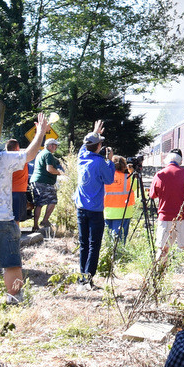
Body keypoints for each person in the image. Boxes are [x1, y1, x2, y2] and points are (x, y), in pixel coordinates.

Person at [0, 115, 51, 304]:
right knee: (11, 262)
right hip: (3, 217)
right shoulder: (3, 158)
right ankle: (14, 298)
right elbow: (30, 154)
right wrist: (39, 133)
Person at [76, 120, 116, 288]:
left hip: (81, 208)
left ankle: (82, 277)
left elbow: (85, 146)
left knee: (84, 243)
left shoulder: (81, 157)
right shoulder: (100, 162)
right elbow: (109, 179)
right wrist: (111, 160)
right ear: (99, 146)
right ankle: (88, 279)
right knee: (94, 245)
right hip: (95, 210)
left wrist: (94, 133)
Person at [149, 147, 184, 282]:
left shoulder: (160, 174)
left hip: (165, 216)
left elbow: (152, 195)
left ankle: (159, 275)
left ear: (167, 161)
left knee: (162, 248)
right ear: (180, 162)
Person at [30, 134, 64, 234]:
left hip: (36, 181)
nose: (56, 147)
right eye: (55, 145)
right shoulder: (48, 154)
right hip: (44, 182)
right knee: (53, 200)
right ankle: (44, 221)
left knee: (39, 203)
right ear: (50, 146)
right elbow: (49, 169)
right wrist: (59, 172)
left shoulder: (40, 153)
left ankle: (35, 225)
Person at [103, 156, 137, 243]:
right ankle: (118, 256)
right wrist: (132, 172)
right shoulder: (128, 177)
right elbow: (135, 187)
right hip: (124, 212)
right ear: (124, 166)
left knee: (107, 239)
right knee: (119, 242)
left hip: (107, 212)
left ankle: (108, 255)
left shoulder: (106, 177)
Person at [5, 139, 30, 227]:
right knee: (16, 217)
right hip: (18, 190)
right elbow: (30, 153)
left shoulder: (4, 158)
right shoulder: (20, 158)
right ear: (17, 147)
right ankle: (15, 236)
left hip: (6, 190)